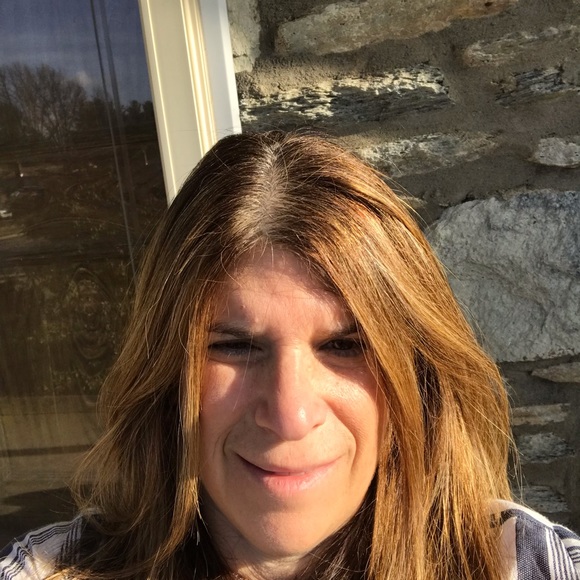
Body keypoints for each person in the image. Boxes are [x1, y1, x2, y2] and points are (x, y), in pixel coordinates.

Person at [1, 131, 579, 580]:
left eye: (345, 346)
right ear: (167, 370)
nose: (290, 414)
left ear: (418, 374)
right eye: (234, 345)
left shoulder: (522, 563)